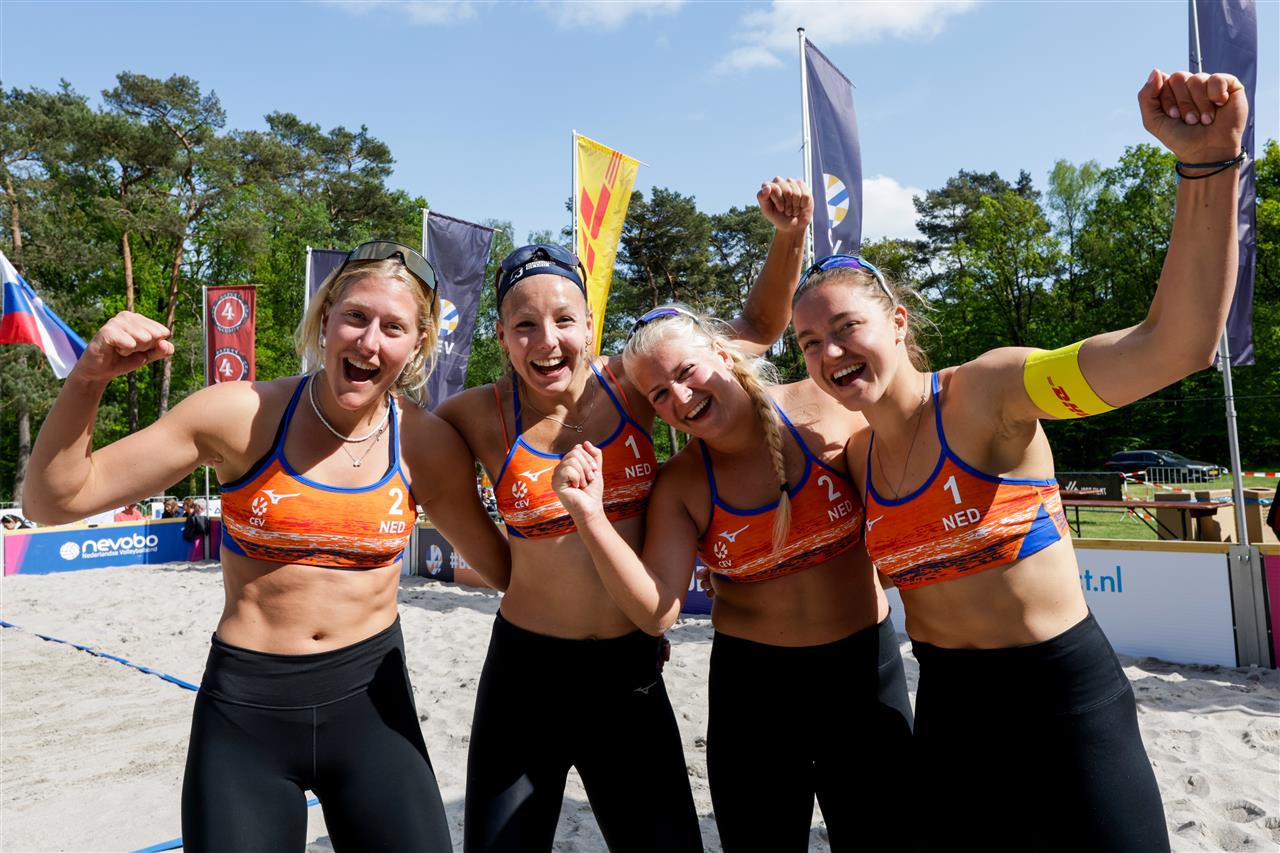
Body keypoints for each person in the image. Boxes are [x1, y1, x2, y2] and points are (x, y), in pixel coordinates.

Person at [787, 69, 1246, 851]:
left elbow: (1174, 346)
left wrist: (1207, 164)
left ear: (897, 322)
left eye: (845, 327)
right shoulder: (854, 458)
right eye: (808, 343)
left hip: (1064, 702)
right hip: (953, 719)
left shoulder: (989, 392)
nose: (829, 352)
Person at [24, 240, 509, 852]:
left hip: (372, 707)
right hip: (247, 713)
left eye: (393, 328)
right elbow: (54, 501)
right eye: (356, 316)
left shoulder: (426, 444)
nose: (369, 342)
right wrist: (89, 377)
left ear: (417, 345)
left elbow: (505, 572)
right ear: (325, 318)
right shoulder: (241, 415)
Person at [437, 178, 811, 853]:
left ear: (590, 325)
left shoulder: (635, 385)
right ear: (500, 336)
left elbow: (756, 330)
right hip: (524, 676)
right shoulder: (474, 417)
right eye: (524, 325)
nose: (546, 340)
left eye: (563, 320)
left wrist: (789, 237)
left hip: (627, 675)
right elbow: (387, 442)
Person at [552, 306, 913, 851]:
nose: (680, 397)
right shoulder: (683, 484)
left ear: (723, 354)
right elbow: (656, 611)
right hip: (755, 699)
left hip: (864, 675)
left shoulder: (827, 410)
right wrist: (589, 516)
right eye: (659, 395)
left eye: (686, 372)